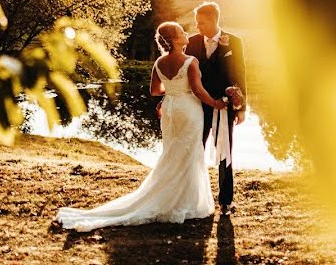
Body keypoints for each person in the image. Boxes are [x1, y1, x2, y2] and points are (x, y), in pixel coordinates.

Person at [55, 22, 225, 232]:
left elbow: (155, 90)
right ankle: (184, 203)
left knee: (172, 152)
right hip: (189, 109)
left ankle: (172, 197)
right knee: (189, 152)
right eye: (182, 32)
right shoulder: (190, 61)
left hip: (170, 109)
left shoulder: (159, 63)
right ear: (173, 40)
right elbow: (198, 91)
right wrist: (216, 103)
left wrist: (172, 92)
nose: (186, 34)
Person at [185, 1, 247, 216]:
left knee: (225, 152)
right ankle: (193, 199)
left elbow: (240, 74)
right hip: (197, 105)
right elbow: (186, 76)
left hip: (224, 105)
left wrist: (241, 107)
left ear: (213, 20)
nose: (198, 27)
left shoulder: (234, 42)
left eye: (201, 23)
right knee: (195, 150)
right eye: (196, 23)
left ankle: (225, 202)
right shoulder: (191, 42)